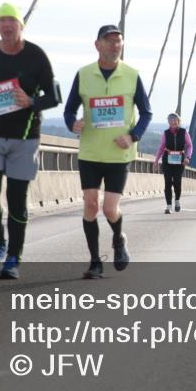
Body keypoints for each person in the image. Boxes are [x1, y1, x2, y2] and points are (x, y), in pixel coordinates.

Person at [0, 3, 60, 280]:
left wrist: (32, 102)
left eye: (12, 22)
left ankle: (14, 257)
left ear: (21, 26)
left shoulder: (36, 56)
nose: (6, 26)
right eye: (2, 22)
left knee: (16, 200)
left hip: (24, 139)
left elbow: (54, 96)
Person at [63, 24, 152, 279]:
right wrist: (72, 123)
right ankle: (94, 262)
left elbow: (146, 113)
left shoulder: (132, 75)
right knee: (90, 205)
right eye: (110, 41)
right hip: (90, 153)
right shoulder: (84, 75)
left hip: (118, 155)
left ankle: (119, 238)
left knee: (110, 210)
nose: (115, 46)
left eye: (119, 41)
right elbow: (69, 110)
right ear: (98, 45)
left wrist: (134, 136)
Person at [155, 113, 192, 213]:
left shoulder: (184, 132)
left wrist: (188, 157)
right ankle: (168, 206)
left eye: (175, 120)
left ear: (178, 121)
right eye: (171, 120)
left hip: (180, 160)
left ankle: (177, 201)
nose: (173, 122)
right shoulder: (165, 133)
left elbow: (189, 146)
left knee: (177, 182)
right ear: (168, 122)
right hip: (167, 159)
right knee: (167, 182)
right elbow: (161, 147)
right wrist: (156, 160)